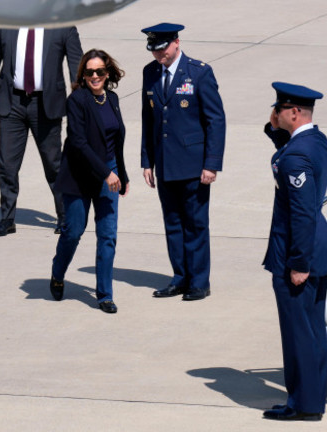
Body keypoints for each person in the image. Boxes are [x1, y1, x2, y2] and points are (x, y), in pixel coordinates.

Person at [261, 82, 327, 422]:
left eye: (279, 109)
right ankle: (310, 397)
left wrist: (298, 263)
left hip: (298, 252)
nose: (275, 114)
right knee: (311, 329)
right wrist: (274, 127)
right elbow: (285, 146)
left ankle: (303, 404)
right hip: (316, 247)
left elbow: (302, 212)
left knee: (298, 334)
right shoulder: (315, 141)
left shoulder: (294, 157)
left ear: (292, 112)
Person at [140, 23, 226, 301]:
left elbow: (215, 120)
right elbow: (148, 120)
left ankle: (199, 281)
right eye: (154, 50)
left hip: (193, 164)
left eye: (162, 48)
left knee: (196, 223)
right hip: (164, 163)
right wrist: (147, 161)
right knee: (173, 223)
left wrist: (211, 164)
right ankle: (180, 277)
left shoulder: (199, 72)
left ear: (176, 42)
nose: (159, 55)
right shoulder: (150, 73)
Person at [0, 27, 83, 236]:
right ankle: (7, 219)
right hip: (12, 102)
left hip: (46, 105)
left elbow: (75, 62)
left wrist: (80, 97)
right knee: (7, 165)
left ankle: (64, 217)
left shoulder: (63, 25)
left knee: (53, 165)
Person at [48, 49, 129, 314]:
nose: (95, 76)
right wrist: (106, 173)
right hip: (80, 176)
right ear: (83, 75)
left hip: (110, 174)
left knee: (108, 235)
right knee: (73, 231)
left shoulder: (113, 99)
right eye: (89, 72)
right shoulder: (78, 100)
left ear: (108, 73)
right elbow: (79, 143)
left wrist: (122, 174)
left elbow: (117, 141)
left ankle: (104, 294)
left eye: (100, 72)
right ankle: (58, 273)